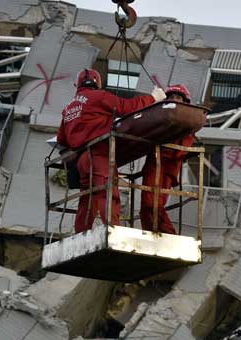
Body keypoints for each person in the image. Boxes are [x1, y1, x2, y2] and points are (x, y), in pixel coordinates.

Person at [57, 68, 166, 233]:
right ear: (97, 83)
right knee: (108, 193)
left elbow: (61, 140)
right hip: (100, 154)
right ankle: (114, 231)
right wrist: (153, 98)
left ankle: (81, 233)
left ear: (78, 84)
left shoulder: (68, 108)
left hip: (82, 160)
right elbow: (126, 107)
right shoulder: (99, 96)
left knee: (87, 199)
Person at [140, 84, 195, 234]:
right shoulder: (161, 119)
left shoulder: (188, 122)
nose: (174, 100)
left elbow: (178, 149)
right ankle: (151, 236)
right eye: (171, 97)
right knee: (145, 208)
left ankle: (169, 236)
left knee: (153, 206)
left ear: (184, 101)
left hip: (165, 168)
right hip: (154, 165)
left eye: (178, 97)